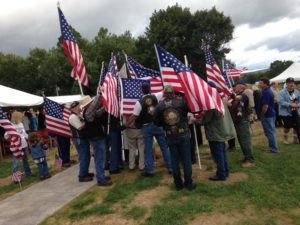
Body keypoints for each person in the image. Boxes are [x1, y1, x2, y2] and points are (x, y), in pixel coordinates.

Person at [126, 83, 173, 177]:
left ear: (141, 90)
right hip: (157, 125)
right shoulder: (156, 96)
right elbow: (164, 91)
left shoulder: (139, 102)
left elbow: (134, 116)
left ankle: (150, 170)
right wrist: (167, 85)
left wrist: (127, 124)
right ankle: (170, 167)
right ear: (149, 89)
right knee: (164, 147)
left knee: (147, 149)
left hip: (147, 127)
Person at [154, 86, 195, 190]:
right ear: (173, 93)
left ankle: (178, 185)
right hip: (182, 134)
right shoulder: (181, 102)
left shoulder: (159, 106)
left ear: (164, 94)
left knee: (174, 160)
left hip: (170, 135)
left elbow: (156, 123)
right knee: (186, 159)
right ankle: (189, 184)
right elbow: (190, 111)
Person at [82, 95, 112, 186]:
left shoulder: (90, 112)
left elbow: (99, 112)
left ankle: (101, 176)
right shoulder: (88, 112)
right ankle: (101, 179)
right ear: (89, 104)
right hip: (96, 139)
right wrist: (101, 93)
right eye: (91, 102)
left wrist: (107, 105)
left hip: (97, 138)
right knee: (99, 159)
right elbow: (95, 104)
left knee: (101, 158)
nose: (92, 103)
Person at [229, 81, 254, 168]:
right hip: (238, 122)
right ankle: (246, 157)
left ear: (240, 87)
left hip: (242, 122)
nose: (234, 88)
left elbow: (239, 98)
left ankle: (249, 160)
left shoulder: (244, 94)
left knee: (245, 141)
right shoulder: (238, 94)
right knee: (241, 141)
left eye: (235, 87)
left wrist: (233, 98)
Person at [69, 100, 93, 182]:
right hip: (79, 139)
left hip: (82, 138)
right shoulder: (73, 117)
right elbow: (79, 127)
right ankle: (82, 176)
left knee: (87, 156)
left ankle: (85, 172)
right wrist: (87, 122)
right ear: (75, 108)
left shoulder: (77, 115)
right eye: (79, 107)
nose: (80, 108)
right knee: (84, 157)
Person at [258, 78, 279, 153]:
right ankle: (273, 147)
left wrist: (262, 114)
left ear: (265, 84)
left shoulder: (266, 92)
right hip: (270, 114)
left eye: (260, 83)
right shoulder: (267, 91)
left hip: (267, 115)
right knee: (271, 132)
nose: (259, 84)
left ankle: (274, 149)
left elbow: (265, 106)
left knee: (269, 132)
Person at [279, 77, 300, 144]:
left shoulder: (296, 92)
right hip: (286, 113)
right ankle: (285, 139)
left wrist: (298, 105)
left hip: (295, 112)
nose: (291, 84)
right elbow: (281, 102)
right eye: (289, 83)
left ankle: (295, 139)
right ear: (286, 84)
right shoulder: (282, 92)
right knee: (287, 127)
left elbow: (299, 101)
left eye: (292, 83)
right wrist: (290, 104)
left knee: (296, 126)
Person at [10, 111, 32, 177]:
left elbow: (24, 133)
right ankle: (16, 177)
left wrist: (30, 138)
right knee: (16, 161)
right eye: (20, 116)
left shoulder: (21, 124)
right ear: (16, 117)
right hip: (16, 145)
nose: (21, 117)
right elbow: (6, 135)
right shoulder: (11, 125)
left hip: (23, 144)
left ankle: (28, 173)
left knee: (25, 159)